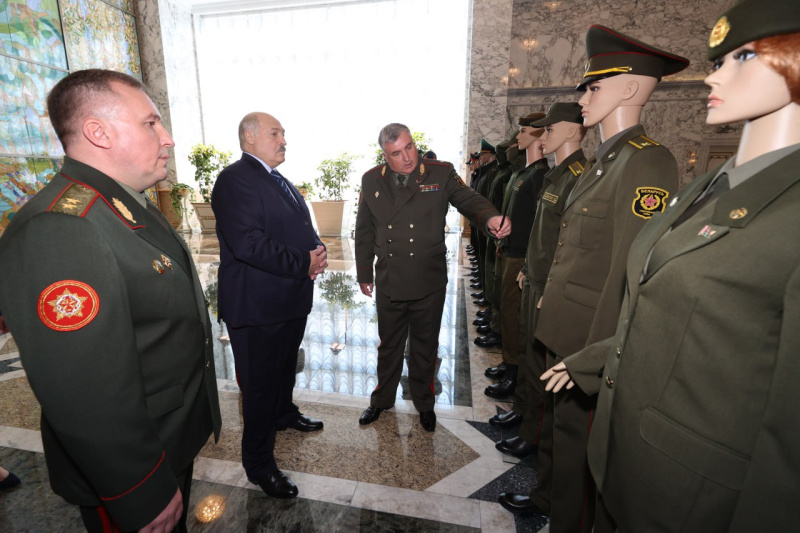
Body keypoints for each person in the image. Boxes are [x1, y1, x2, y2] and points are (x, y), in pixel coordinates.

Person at [544, 2, 800, 530]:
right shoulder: (706, 189)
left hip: (691, 486)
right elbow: (648, 296)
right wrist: (590, 360)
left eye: (742, 58)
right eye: (719, 61)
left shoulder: (656, 164)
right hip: (632, 452)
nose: (714, 76)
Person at [0, 69, 221, 532]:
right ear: (98, 133)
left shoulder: (118, 204)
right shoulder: (63, 227)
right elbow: (83, 387)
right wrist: (139, 489)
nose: (168, 138)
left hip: (165, 439)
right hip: (131, 468)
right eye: (151, 123)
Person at [499, 26, 687, 533]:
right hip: (565, 327)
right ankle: (548, 499)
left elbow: (630, 270)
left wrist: (594, 355)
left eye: (593, 87)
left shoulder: (646, 161)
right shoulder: (604, 162)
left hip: (589, 340)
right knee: (561, 436)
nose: (583, 98)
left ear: (631, 88)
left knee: (579, 447)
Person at [355, 123, 511, 432]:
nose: (407, 158)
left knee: (425, 346)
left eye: (409, 147)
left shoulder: (440, 173)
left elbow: (468, 199)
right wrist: (363, 273)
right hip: (390, 279)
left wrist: (489, 217)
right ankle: (382, 399)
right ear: (385, 156)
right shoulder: (371, 179)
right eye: (396, 153)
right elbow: (364, 230)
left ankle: (424, 404)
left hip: (428, 279)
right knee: (389, 345)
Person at [211, 112, 326, 500]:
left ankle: (284, 413)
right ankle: (259, 465)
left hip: (288, 299)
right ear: (249, 138)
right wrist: (302, 262)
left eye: (283, 133)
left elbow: (297, 227)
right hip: (257, 306)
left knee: (284, 368)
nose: (283, 140)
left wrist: (317, 250)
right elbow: (249, 243)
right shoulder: (234, 179)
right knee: (259, 388)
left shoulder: (278, 179)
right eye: (274, 133)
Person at [492, 103, 587, 463]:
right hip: (534, 277)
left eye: (549, 129)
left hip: (549, 286)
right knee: (529, 355)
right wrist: (529, 269)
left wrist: (550, 283)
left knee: (540, 363)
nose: (542, 136)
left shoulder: (576, 176)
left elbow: (570, 241)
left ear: (572, 131)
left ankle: (532, 432)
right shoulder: (553, 176)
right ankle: (524, 416)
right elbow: (541, 233)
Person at [485, 113, 549, 400]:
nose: (519, 136)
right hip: (510, 250)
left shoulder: (539, 176)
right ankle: (509, 361)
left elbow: (539, 225)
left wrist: (527, 261)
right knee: (508, 313)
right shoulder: (523, 173)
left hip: (522, 257)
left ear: (537, 134)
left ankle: (515, 370)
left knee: (515, 317)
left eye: (523, 131)